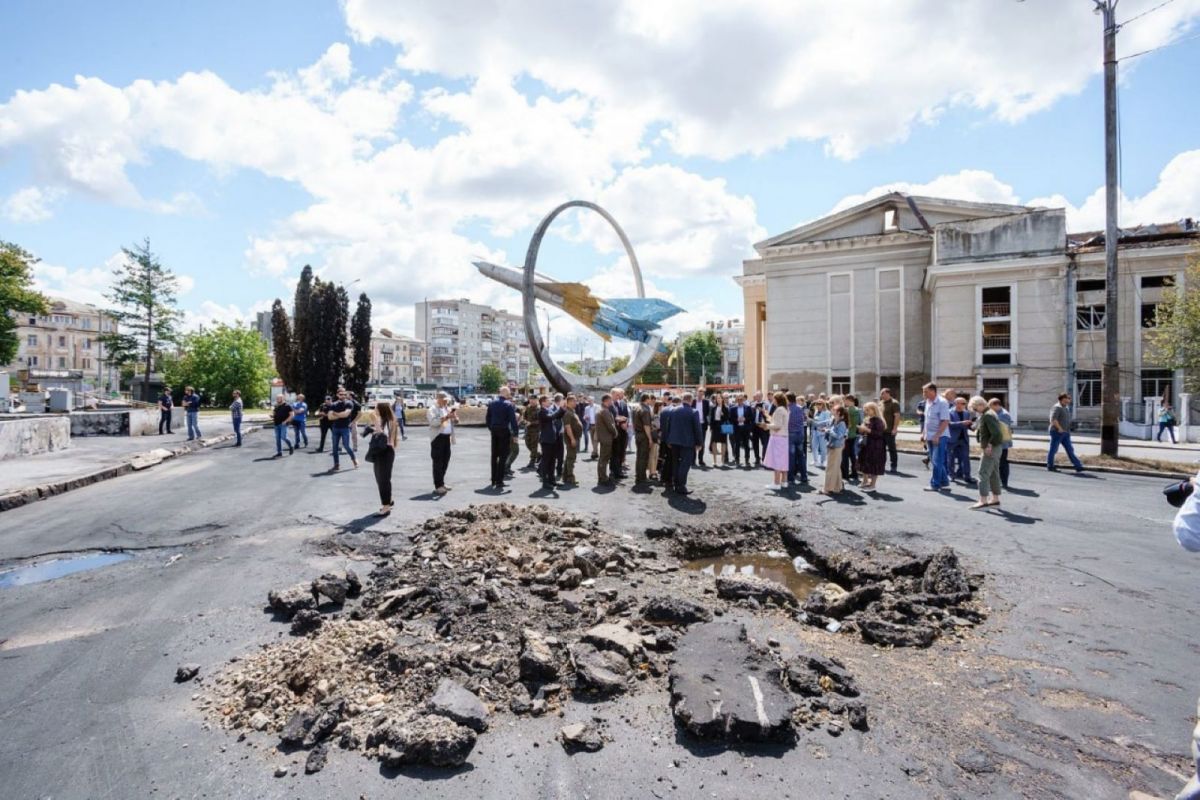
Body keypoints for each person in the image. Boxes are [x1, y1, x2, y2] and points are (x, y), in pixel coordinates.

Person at [666, 392, 703, 495]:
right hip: (687, 443)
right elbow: (697, 429)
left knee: (676, 463)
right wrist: (699, 443)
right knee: (684, 464)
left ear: (682, 399)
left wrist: (668, 440)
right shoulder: (693, 412)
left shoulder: (673, 410)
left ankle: (675, 483)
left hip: (674, 442)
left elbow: (668, 426)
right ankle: (681, 486)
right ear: (691, 400)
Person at [970, 396, 1003, 509]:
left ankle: (983, 500)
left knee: (983, 473)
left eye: (975, 408)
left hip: (991, 448)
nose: (975, 411)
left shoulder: (987, 415)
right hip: (996, 447)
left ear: (980, 405)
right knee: (994, 473)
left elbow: (997, 434)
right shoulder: (990, 413)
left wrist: (989, 444)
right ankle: (995, 499)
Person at [485, 387, 519, 489]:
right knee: (503, 456)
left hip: (494, 431)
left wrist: (491, 428)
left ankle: (493, 479)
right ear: (506, 393)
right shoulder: (508, 404)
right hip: (504, 431)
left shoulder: (492, 403)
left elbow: (488, 418)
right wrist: (516, 434)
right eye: (509, 393)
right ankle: (499, 481)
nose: (510, 394)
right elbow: (513, 421)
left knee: (494, 455)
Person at [921, 383, 952, 491]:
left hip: (940, 436)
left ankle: (935, 484)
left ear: (933, 391)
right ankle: (944, 482)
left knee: (937, 460)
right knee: (936, 461)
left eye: (925, 391)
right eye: (923, 391)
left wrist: (937, 435)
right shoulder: (928, 402)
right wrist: (924, 433)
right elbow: (927, 420)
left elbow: (945, 421)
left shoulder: (942, 402)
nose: (923, 394)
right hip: (930, 435)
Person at [372, 401, 399, 515]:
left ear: (381, 410)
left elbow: (382, 435)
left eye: (376, 408)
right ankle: (388, 500)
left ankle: (386, 506)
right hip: (382, 451)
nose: (374, 410)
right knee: (380, 477)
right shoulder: (386, 420)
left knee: (383, 479)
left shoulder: (388, 421)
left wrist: (375, 421)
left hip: (385, 451)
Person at [1047, 392, 1085, 472]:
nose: (1067, 401)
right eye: (1066, 400)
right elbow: (1053, 420)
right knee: (1053, 449)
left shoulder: (1066, 408)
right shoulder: (1057, 408)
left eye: (1068, 399)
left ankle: (1078, 466)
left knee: (1070, 449)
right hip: (1057, 432)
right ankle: (1050, 466)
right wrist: (1059, 428)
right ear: (1061, 400)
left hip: (1066, 433)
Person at [428, 392, 457, 495]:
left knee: (445, 461)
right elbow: (433, 423)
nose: (446, 401)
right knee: (437, 462)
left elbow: (453, 421)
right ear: (438, 399)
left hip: (446, 438)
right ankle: (438, 485)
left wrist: (454, 418)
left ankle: (442, 482)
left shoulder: (447, 408)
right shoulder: (432, 409)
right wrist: (447, 417)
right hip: (437, 438)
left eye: (447, 400)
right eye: (444, 399)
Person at [761, 391, 790, 491]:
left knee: (777, 461)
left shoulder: (779, 410)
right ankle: (784, 482)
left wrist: (766, 426)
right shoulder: (785, 409)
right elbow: (777, 422)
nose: (772, 400)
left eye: (773, 398)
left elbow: (777, 426)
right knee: (783, 460)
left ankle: (776, 483)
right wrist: (767, 416)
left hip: (778, 437)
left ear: (777, 400)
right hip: (784, 438)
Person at [537, 395, 567, 490]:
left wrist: (563, 409)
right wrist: (561, 408)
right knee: (546, 461)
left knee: (552, 461)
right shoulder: (542, 412)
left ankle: (552, 480)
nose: (550, 401)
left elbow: (557, 416)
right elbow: (551, 417)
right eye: (548, 400)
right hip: (546, 440)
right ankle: (545, 482)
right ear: (543, 402)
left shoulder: (548, 410)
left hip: (552, 439)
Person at [858, 401, 886, 492]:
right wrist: (861, 430)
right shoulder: (867, 419)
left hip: (875, 446)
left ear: (874, 410)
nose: (866, 412)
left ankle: (872, 485)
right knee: (865, 463)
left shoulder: (878, 421)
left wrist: (867, 430)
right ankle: (865, 481)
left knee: (874, 465)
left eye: (868, 410)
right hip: (867, 445)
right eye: (865, 410)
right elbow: (863, 432)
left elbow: (879, 434)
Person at [820, 407, 849, 495]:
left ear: (838, 412)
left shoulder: (842, 423)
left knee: (830, 468)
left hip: (836, 447)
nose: (831, 410)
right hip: (833, 446)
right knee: (835, 468)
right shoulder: (834, 420)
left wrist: (828, 431)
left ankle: (827, 489)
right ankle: (837, 487)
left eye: (834, 410)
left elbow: (839, 436)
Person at [328, 387, 358, 472]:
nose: (343, 396)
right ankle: (336, 465)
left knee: (346, 446)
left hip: (345, 428)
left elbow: (346, 414)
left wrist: (335, 414)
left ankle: (354, 460)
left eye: (345, 394)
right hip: (335, 428)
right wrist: (340, 414)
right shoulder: (333, 404)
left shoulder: (349, 403)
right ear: (337, 395)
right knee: (335, 448)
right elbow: (330, 417)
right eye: (341, 394)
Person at [948, 396, 975, 483]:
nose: (962, 405)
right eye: (960, 403)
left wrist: (973, 427)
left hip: (964, 439)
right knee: (950, 458)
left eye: (964, 403)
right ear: (955, 403)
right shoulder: (949, 412)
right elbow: (949, 424)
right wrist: (962, 423)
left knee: (965, 458)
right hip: (952, 439)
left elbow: (967, 425)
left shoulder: (966, 413)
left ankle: (967, 476)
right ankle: (951, 475)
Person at [989, 398, 1014, 489]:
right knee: (997, 463)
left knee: (1002, 463)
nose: (990, 408)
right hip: (998, 442)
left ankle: (1004, 482)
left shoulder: (1003, 415)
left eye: (991, 406)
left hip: (1002, 443)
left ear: (996, 405)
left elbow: (1002, 429)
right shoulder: (997, 413)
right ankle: (998, 481)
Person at [594, 394, 618, 486]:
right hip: (606, 438)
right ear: (606, 401)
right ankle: (603, 478)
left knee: (602, 459)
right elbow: (610, 425)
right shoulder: (604, 411)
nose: (611, 402)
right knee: (604, 459)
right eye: (610, 400)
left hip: (603, 438)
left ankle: (602, 477)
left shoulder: (601, 410)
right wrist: (615, 433)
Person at [786, 392, 808, 486]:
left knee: (791, 457)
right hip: (800, 434)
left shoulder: (787, 409)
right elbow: (804, 419)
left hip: (791, 434)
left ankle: (791, 478)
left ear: (788, 399)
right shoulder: (800, 408)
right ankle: (804, 477)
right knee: (801, 456)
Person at [634, 392, 655, 485]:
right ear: (647, 399)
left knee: (639, 456)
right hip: (644, 435)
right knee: (643, 456)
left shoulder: (636, 408)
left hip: (637, 434)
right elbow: (646, 426)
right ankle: (641, 477)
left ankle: (639, 475)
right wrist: (650, 438)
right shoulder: (645, 410)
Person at [562, 394, 583, 486]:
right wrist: (572, 439)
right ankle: (570, 477)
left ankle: (565, 476)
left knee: (569, 457)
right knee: (571, 458)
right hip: (571, 438)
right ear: (569, 402)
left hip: (575, 437)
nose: (576, 402)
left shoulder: (572, 412)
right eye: (574, 401)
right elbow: (567, 427)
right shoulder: (567, 413)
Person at [880, 388, 901, 473]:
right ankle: (882, 465)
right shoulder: (881, 403)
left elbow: (897, 416)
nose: (882, 396)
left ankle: (894, 466)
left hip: (890, 430)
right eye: (881, 394)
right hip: (881, 430)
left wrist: (895, 428)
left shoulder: (894, 403)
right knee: (881, 449)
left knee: (892, 449)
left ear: (888, 394)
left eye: (883, 394)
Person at [731, 393, 754, 467]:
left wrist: (745, 419)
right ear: (736, 400)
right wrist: (736, 419)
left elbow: (751, 417)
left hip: (745, 428)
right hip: (737, 428)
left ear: (743, 399)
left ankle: (747, 460)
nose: (740, 401)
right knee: (737, 444)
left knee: (746, 445)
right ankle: (737, 459)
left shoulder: (748, 407)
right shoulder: (733, 408)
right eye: (738, 399)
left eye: (741, 399)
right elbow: (731, 418)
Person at [611, 388, 630, 480]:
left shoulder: (623, 403)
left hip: (623, 430)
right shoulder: (610, 404)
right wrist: (620, 423)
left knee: (622, 450)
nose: (619, 396)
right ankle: (614, 471)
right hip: (615, 431)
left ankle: (619, 469)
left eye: (620, 395)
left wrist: (625, 424)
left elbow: (626, 415)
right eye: (617, 395)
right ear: (612, 394)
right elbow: (612, 418)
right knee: (615, 452)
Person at [841, 395, 860, 483]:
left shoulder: (848, 410)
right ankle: (854, 473)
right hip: (854, 434)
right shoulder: (857, 410)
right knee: (852, 455)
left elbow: (849, 423)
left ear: (849, 400)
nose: (844, 402)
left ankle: (845, 474)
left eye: (845, 400)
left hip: (847, 435)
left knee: (845, 455)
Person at [709, 392, 731, 467]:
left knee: (723, 443)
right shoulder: (713, 408)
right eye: (717, 398)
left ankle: (722, 461)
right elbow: (711, 418)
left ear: (722, 399)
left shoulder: (726, 408)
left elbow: (728, 418)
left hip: (723, 427)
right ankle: (714, 461)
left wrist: (723, 415)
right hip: (715, 427)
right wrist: (711, 427)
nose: (718, 400)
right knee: (714, 443)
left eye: (720, 398)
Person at [810, 399, 830, 468]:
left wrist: (820, 425)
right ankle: (815, 460)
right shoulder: (816, 411)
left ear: (823, 405)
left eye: (820, 404)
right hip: (815, 431)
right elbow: (814, 421)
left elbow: (827, 422)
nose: (818, 405)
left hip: (822, 432)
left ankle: (823, 461)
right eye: (817, 404)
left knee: (823, 448)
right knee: (814, 446)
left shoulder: (827, 412)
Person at [522, 397, 541, 470]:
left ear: (536, 400)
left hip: (536, 430)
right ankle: (538, 455)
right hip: (528, 429)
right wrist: (525, 422)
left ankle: (532, 461)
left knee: (534, 445)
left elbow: (540, 420)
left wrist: (531, 423)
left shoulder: (539, 409)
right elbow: (524, 417)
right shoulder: (528, 408)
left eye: (533, 400)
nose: (532, 401)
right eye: (531, 400)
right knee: (527, 444)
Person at [697, 390, 712, 467]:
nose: (700, 395)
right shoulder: (693, 401)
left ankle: (700, 459)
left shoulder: (706, 402)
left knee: (702, 442)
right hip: (695, 425)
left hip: (703, 424)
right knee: (693, 442)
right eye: (699, 393)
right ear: (697, 393)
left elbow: (707, 413)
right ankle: (692, 460)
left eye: (702, 394)